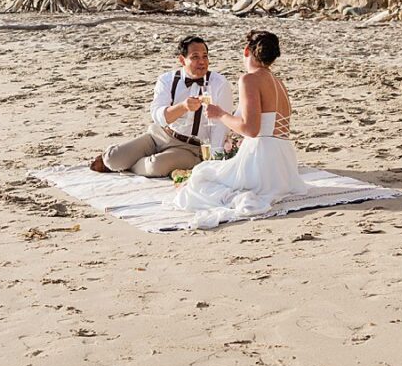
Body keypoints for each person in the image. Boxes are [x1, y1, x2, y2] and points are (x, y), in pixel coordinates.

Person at [169, 30, 311, 228]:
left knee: (201, 177)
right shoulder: (279, 82)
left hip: (262, 160)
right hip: (285, 162)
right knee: (209, 172)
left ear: (246, 51)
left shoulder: (249, 79)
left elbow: (251, 130)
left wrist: (220, 114)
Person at [89, 35, 233, 177]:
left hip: (190, 148)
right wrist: (183, 106)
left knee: (155, 166)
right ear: (182, 60)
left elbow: (221, 126)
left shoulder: (219, 84)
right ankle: (120, 163)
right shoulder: (167, 79)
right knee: (112, 158)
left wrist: (215, 160)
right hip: (159, 135)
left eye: (205, 56)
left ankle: (130, 166)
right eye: (195, 57)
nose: (202, 61)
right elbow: (158, 116)